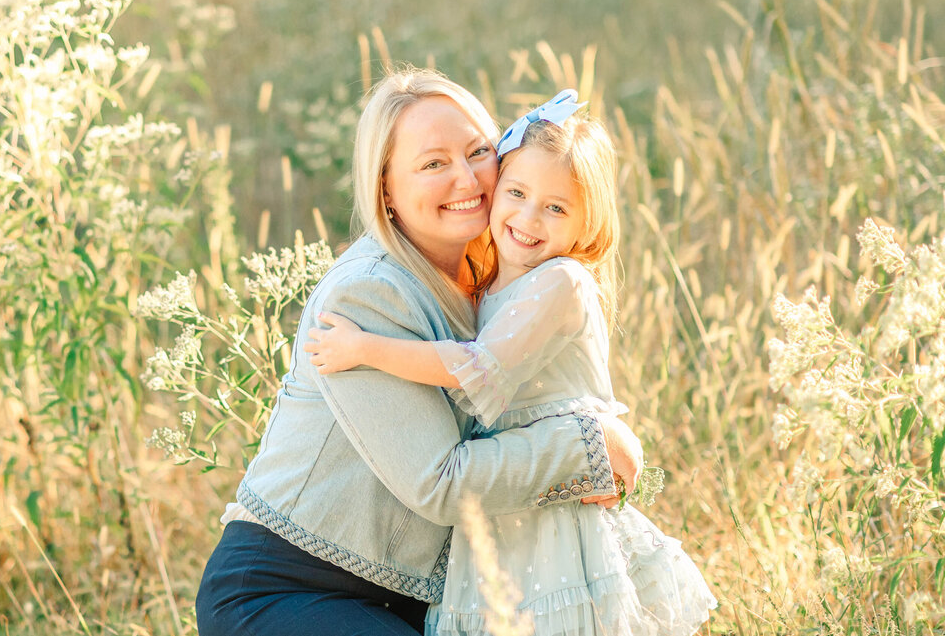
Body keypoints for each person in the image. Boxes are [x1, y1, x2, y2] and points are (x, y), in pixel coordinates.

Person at [195, 70, 644, 636]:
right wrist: (589, 449)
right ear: (385, 188)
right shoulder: (368, 292)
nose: (466, 178)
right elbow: (442, 483)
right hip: (289, 588)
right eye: (433, 164)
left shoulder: (496, 278)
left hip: (407, 594)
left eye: (478, 152)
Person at [305, 90, 717, 636]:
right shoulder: (491, 281)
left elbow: (476, 367)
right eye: (517, 192)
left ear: (586, 223)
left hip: (554, 511)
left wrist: (366, 349)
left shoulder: (559, 281)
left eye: (556, 207)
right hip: (511, 511)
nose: (528, 217)